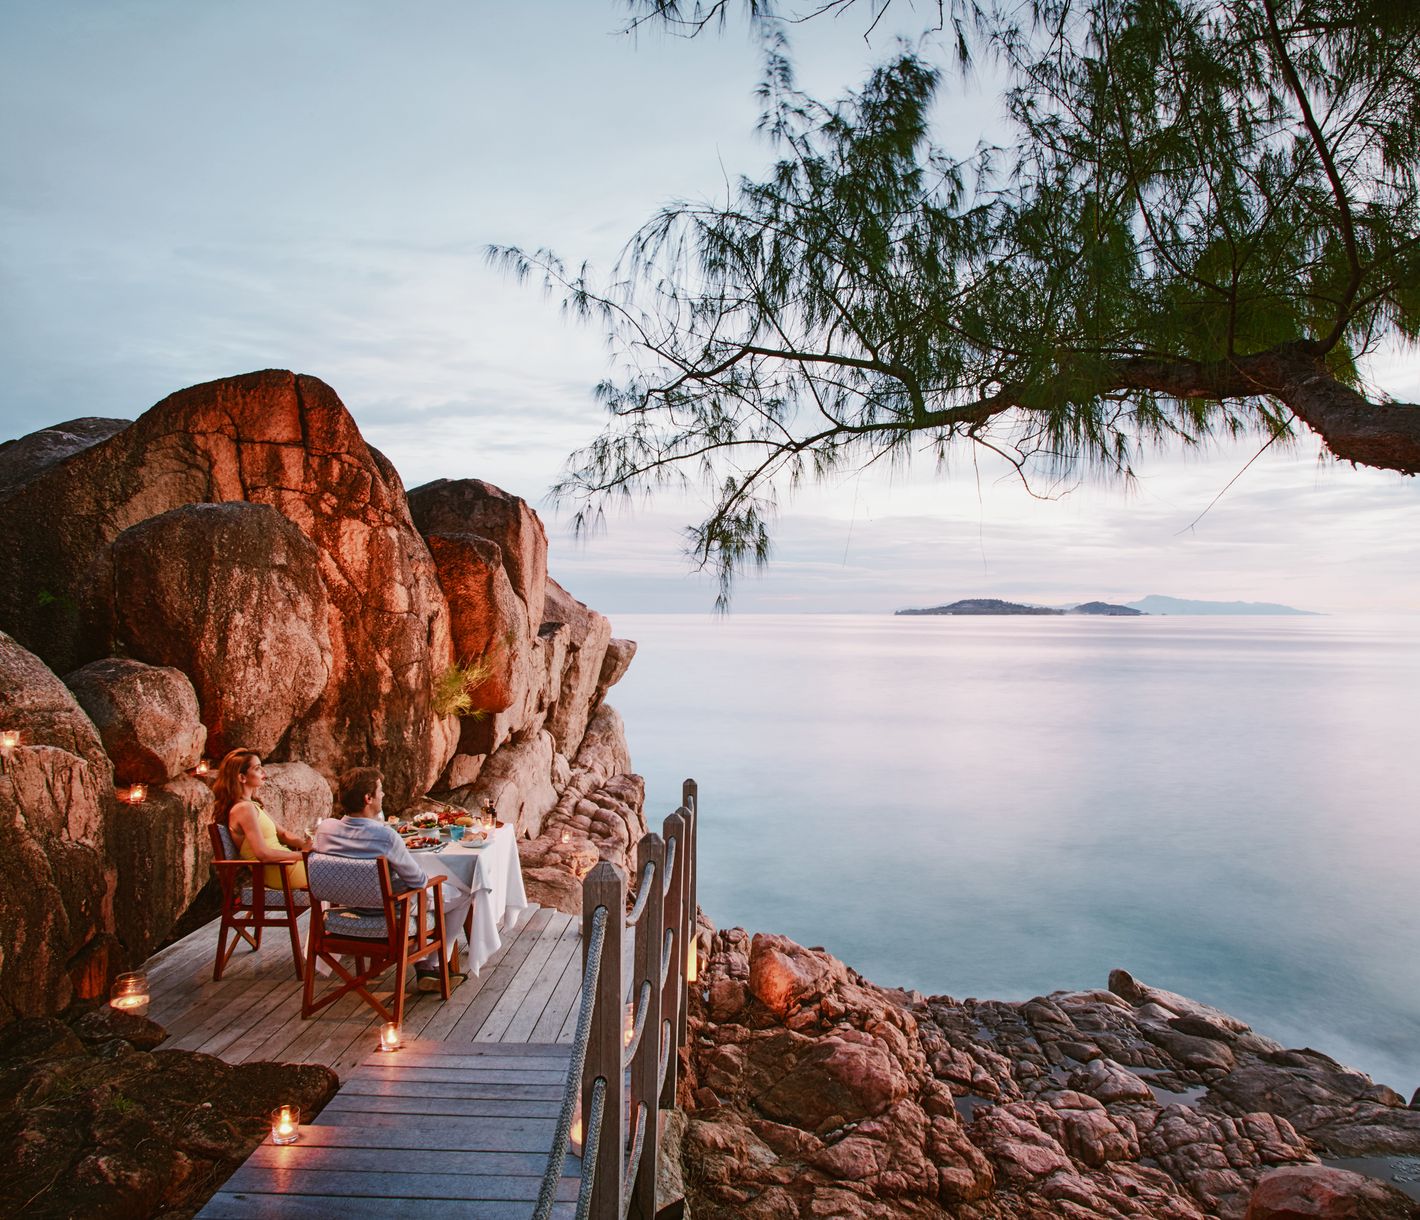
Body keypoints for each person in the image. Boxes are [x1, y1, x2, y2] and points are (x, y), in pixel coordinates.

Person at [314, 766, 472, 990]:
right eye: (380, 791)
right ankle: (432, 964)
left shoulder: (326, 829)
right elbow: (417, 881)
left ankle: (425, 965)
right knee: (465, 893)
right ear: (368, 798)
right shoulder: (386, 836)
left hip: (345, 911)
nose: (384, 795)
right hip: (391, 913)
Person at [213, 748, 309, 890]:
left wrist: (308, 846)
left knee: (337, 866)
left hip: (286, 864)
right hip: (280, 870)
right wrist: (301, 855)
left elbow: (283, 834)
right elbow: (262, 854)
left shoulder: (253, 804)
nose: (264, 772)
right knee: (339, 870)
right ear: (242, 777)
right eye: (257, 769)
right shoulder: (243, 809)